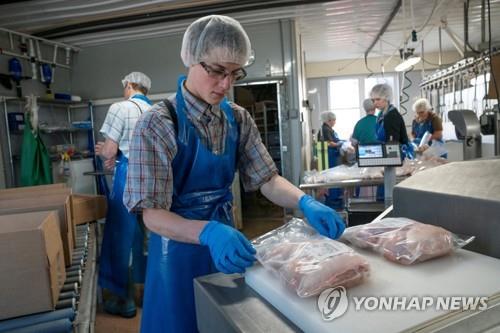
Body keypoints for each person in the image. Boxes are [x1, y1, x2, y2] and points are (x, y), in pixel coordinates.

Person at [123, 15, 345, 333]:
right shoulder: (158, 124)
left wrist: (305, 202)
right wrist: (209, 233)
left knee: (226, 323)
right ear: (190, 59)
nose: (226, 84)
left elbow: (267, 179)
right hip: (176, 254)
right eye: (216, 71)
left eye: (234, 74)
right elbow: (152, 216)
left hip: (229, 247)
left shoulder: (238, 118)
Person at [96, 72, 153, 318]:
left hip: (127, 177)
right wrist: (118, 155)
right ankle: (146, 294)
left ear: (129, 85)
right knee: (144, 236)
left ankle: (124, 300)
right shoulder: (156, 111)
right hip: (153, 179)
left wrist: (106, 153)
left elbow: (109, 150)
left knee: (120, 237)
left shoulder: (120, 107)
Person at [370, 83, 413, 158]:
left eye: (378, 99)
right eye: (373, 100)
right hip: (387, 152)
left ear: (387, 98)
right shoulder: (381, 114)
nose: (375, 103)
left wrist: (390, 161)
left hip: (399, 155)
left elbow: (392, 144)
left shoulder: (392, 116)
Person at [317, 111, 343, 208]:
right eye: (334, 120)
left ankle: (335, 199)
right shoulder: (325, 129)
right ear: (329, 120)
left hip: (333, 156)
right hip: (329, 157)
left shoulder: (329, 129)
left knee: (333, 177)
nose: (335, 122)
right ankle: (333, 201)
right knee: (331, 178)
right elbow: (329, 143)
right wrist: (339, 144)